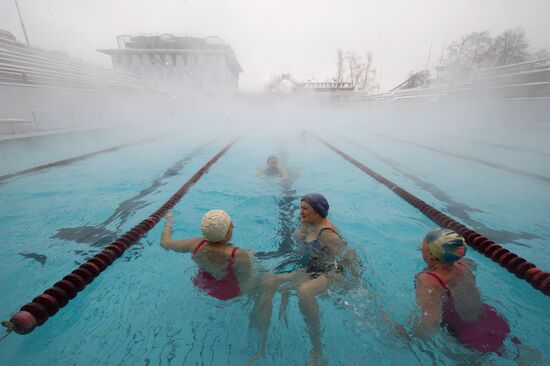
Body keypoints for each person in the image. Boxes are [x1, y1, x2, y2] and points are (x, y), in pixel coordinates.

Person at [161, 209, 282, 364]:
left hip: (203, 285)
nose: (233, 227)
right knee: (268, 280)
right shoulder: (237, 254)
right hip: (229, 293)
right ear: (226, 234)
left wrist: (169, 220)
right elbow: (244, 281)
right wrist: (249, 258)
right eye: (231, 225)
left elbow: (165, 243)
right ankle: (258, 332)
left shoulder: (195, 244)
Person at [278, 193, 360, 365]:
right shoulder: (308, 226)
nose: (301, 212)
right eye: (300, 208)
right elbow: (301, 244)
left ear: (317, 211)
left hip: (333, 273)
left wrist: (356, 285)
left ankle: (317, 349)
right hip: (314, 268)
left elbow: (350, 256)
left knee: (304, 291)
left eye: (305, 208)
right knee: (275, 282)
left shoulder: (327, 233)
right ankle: (282, 323)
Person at [414, 228, 513, 353]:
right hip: (491, 319)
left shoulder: (428, 280)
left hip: (464, 330)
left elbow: (430, 322)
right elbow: (472, 267)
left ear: (431, 254)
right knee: (510, 352)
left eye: (423, 244)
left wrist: (410, 338)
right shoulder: (464, 264)